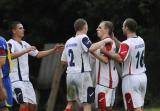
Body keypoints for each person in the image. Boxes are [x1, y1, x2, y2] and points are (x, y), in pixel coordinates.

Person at [7, 21, 64, 111]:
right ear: (14, 31)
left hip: (26, 81)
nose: (23, 30)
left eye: (23, 28)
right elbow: (9, 56)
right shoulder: (10, 43)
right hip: (16, 80)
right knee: (23, 103)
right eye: (20, 28)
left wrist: (53, 50)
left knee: (33, 106)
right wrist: (25, 50)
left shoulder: (24, 43)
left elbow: (37, 54)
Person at [61, 18, 112, 111]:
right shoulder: (83, 37)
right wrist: (105, 41)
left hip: (70, 75)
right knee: (87, 103)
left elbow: (63, 61)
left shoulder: (68, 41)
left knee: (70, 103)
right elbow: (91, 48)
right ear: (85, 27)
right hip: (82, 74)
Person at [101, 18, 147, 111]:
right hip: (142, 77)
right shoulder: (141, 40)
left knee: (131, 108)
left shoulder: (127, 43)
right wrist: (114, 39)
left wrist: (106, 52)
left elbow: (120, 58)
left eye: (123, 26)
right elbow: (126, 48)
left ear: (126, 28)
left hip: (131, 79)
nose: (122, 28)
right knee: (140, 106)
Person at [91, 21, 119, 111]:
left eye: (100, 27)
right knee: (107, 108)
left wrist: (93, 53)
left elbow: (106, 60)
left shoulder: (108, 42)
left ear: (107, 30)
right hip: (108, 80)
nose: (97, 29)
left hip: (105, 81)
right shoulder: (105, 41)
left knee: (101, 108)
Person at [0, 36, 13, 111]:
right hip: (2, 78)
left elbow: (2, 62)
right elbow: (2, 62)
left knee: (4, 107)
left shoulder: (1, 40)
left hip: (4, 77)